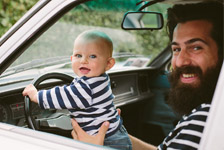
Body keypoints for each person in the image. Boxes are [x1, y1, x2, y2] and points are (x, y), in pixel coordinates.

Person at [70, 1, 223, 150]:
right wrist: (114, 135)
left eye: (196, 47)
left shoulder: (207, 119)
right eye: (176, 49)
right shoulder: (209, 111)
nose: (181, 61)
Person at [22, 29, 132, 150]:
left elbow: (65, 95)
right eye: (78, 55)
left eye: (92, 56)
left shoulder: (87, 87)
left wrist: (37, 96)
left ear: (108, 64)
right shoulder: (101, 78)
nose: (83, 61)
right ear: (71, 59)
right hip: (116, 133)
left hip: (108, 140)